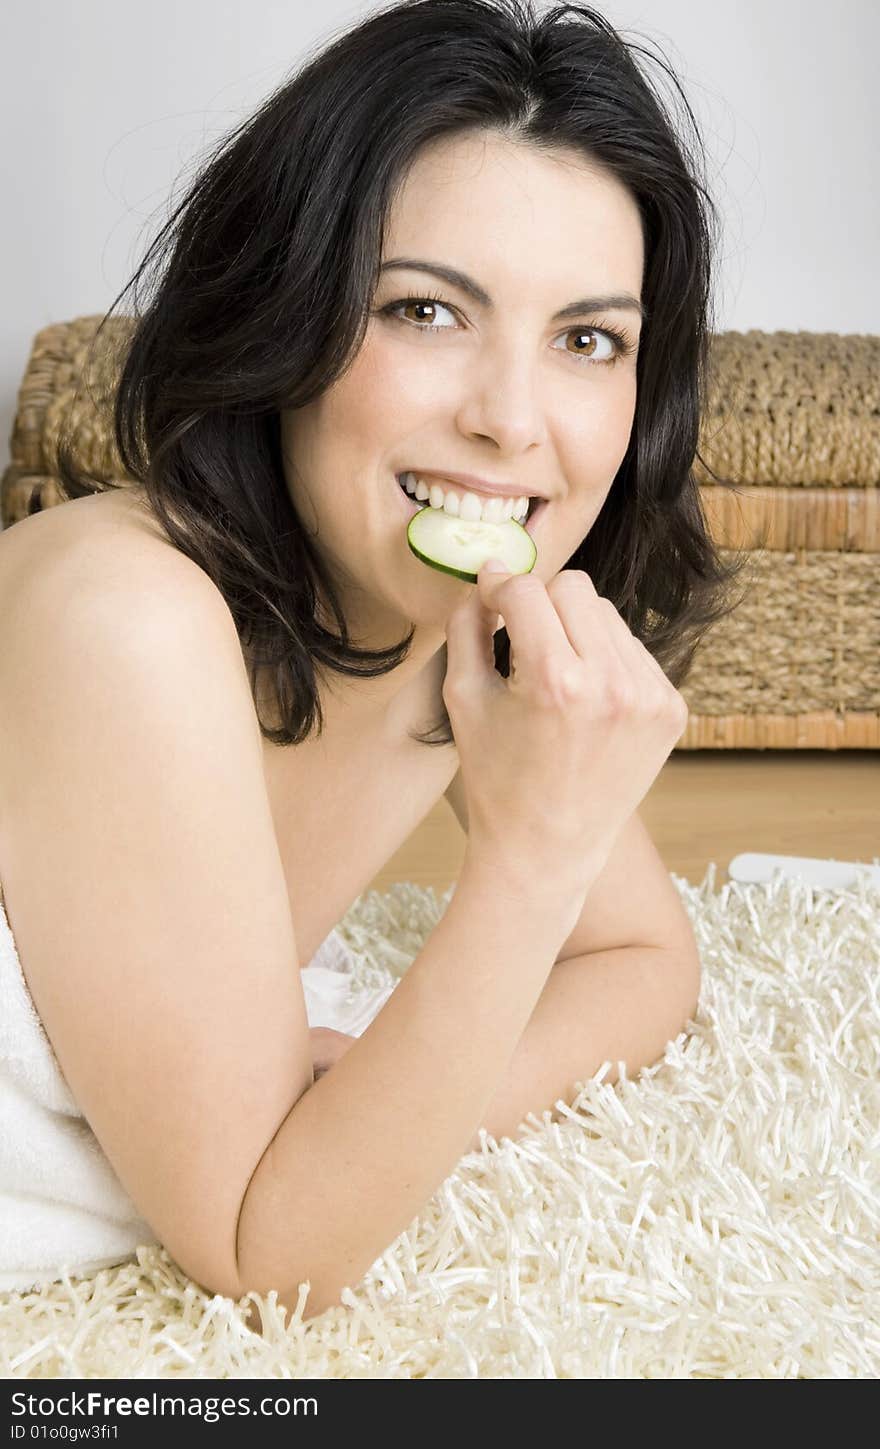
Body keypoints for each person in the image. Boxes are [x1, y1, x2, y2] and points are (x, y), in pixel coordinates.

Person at [0, 0, 748, 1320]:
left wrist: (409, 1087)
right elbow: (264, 1250)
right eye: (426, 311)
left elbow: (646, 960)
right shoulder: (127, 615)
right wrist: (522, 863)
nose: (511, 420)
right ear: (283, 308)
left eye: (589, 339)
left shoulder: (453, 633)